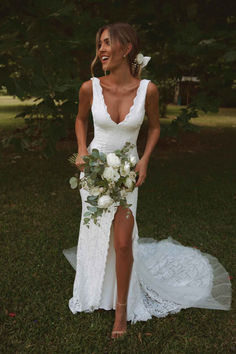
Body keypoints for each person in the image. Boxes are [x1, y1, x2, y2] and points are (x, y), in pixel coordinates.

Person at [63, 22, 232, 340]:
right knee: (97, 235)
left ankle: (123, 308)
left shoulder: (147, 90)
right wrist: (82, 150)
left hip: (126, 174)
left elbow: (154, 127)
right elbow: (80, 119)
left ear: (126, 49)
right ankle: (95, 291)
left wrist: (145, 159)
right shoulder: (90, 87)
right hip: (94, 173)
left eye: (107, 43)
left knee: (123, 242)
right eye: (99, 43)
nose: (100, 49)